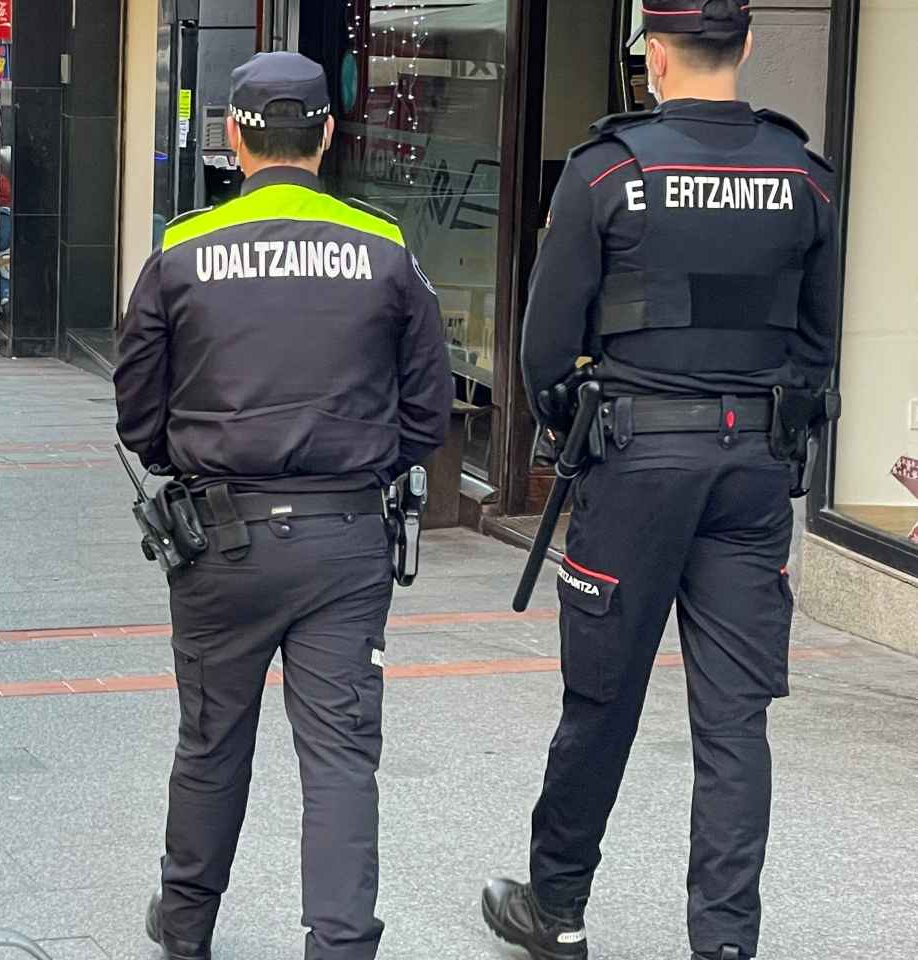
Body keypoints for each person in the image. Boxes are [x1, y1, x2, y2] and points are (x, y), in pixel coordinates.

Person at [478, 4, 839, 960]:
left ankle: (555, 911)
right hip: (754, 471)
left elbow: (545, 347)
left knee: (600, 700)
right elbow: (817, 343)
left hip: (636, 463)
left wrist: (579, 431)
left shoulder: (608, 170)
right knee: (734, 720)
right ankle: (724, 942)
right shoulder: (805, 173)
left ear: (657, 56)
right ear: (749, 47)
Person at [114, 52, 452, 960]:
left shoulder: (181, 252)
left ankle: (185, 929)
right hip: (346, 536)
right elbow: (429, 411)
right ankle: (341, 944)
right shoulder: (384, 250)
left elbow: (137, 412)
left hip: (219, 536)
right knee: (341, 755)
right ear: (329, 136)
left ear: (233, 137)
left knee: (211, 741)